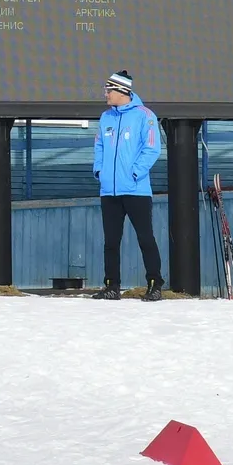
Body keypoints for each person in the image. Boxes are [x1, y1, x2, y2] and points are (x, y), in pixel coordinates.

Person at [92, 70, 164, 301]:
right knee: (111, 242)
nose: (106, 94)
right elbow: (99, 147)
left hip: (136, 190)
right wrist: (99, 172)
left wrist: (134, 173)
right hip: (109, 191)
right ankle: (111, 286)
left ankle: (155, 284)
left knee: (145, 238)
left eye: (109, 90)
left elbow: (152, 148)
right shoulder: (106, 118)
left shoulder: (145, 116)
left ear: (122, 91)